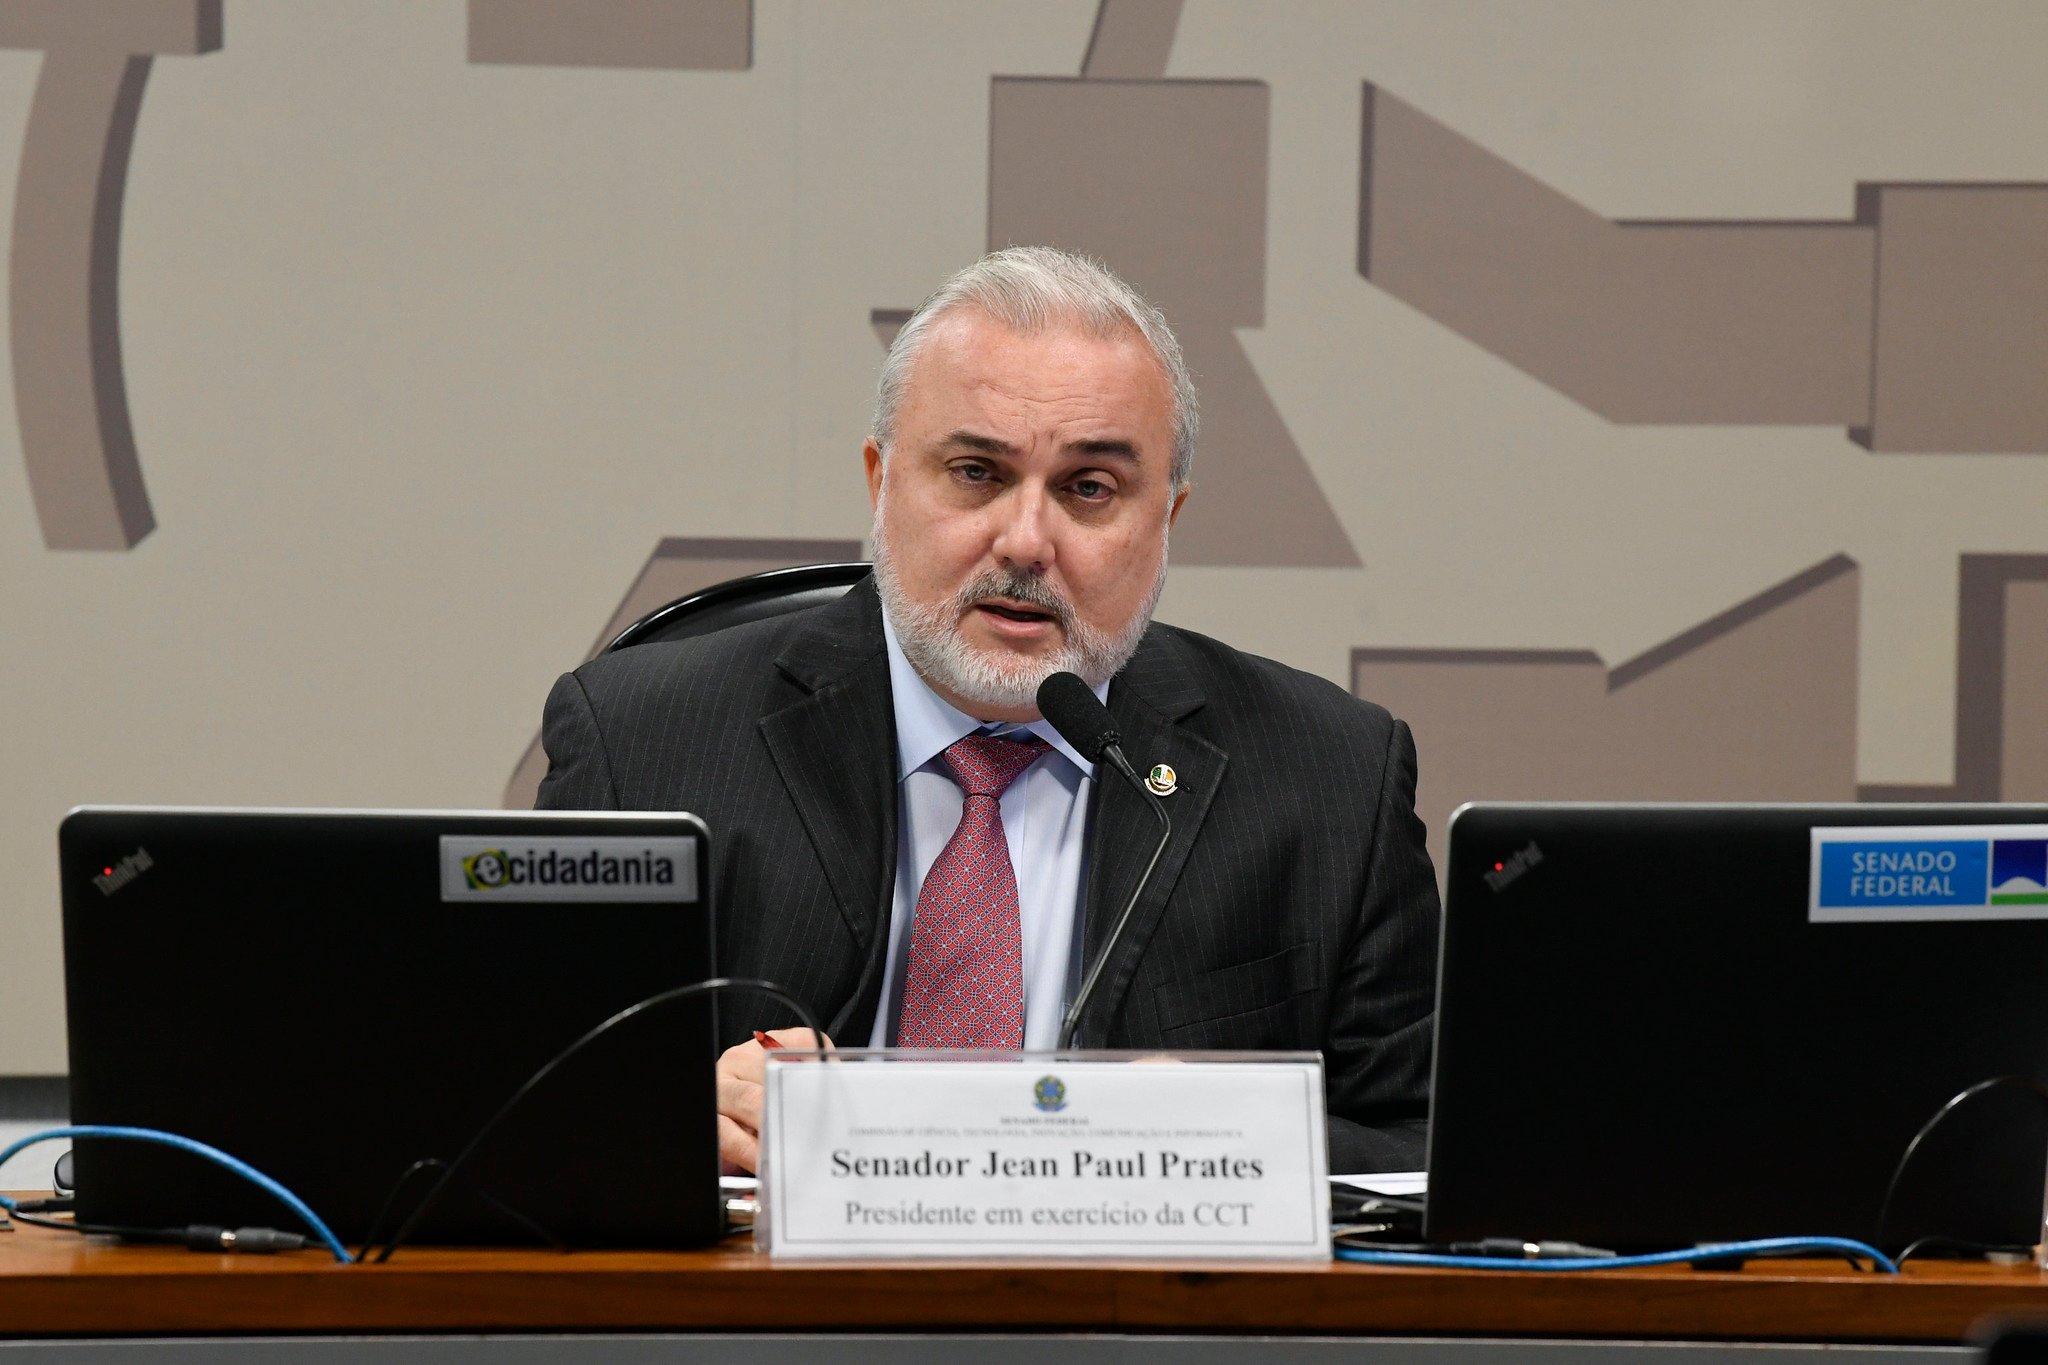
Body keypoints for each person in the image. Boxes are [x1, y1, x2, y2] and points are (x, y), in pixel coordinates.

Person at [535, 246, 1439, 1173]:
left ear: (1168, 520)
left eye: (1090, 488)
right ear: (880, 482)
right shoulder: (642, 743)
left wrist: (1212, 1133)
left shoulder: (1328, 777)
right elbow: (509, 1116)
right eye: (975, 472)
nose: (1026, 540)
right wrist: (673, 1118)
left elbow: (1426, 1146)